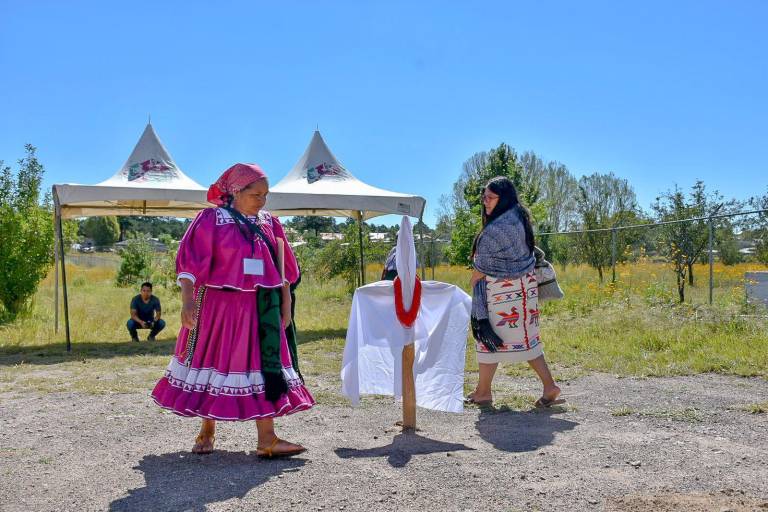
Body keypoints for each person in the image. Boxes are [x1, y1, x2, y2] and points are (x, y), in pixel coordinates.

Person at [151, 163, 315, 457]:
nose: (262, 200)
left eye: (266, 195)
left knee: (267, 368)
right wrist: (187, 300)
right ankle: (207, 431)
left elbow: (284, 267)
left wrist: (286, 301)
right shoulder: (211, 219)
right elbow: (191, 261)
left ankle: (267, 439)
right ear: (236, 191)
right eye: (256, 194)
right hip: (220, 306)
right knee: (216, 365)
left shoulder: (270, 223)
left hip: (263, 306)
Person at [466, 176, 562, 408]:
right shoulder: (518, 218)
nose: (485, 202)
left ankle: (484, 392)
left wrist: (476, 275)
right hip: (522, 289)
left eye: (490, 197)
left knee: (489, 338)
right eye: (484, 197)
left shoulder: (498, 227)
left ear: (503, 198)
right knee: (526, 340)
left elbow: (485, 264)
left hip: (501, 291)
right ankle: (547, 386)